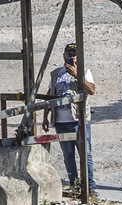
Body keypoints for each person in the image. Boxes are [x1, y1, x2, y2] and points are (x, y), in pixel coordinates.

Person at [43, 42, 96, 194]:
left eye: (74, 54)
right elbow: (49, 95)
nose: (71, 56)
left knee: (85, 154)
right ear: (64, 55)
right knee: (68, 155)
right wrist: (46, 117)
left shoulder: (84, 71)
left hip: (78, 120)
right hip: (60, 121)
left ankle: (90, 186)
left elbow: (91, 90)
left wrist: (76, 75)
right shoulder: (56, 73)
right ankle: (74, 185)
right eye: (69, 54)